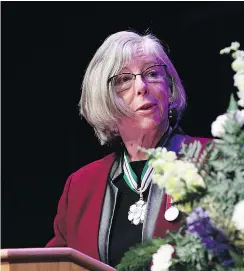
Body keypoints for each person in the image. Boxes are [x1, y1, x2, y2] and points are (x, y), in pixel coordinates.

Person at [46, 31, 211, 267]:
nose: (141, 87)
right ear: (104, 98)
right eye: (124, 80)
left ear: (169, 86)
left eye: (152, 73)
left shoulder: (213, 159)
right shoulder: (81, 186)